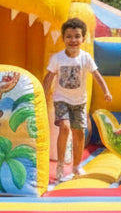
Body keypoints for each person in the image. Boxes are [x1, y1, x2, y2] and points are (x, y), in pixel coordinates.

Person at [44, 17, 112, 182]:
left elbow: (97, 75)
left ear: (83, 38)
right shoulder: (57, 58)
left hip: (79, 101)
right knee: (65, 128)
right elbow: (48, 78)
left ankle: (75, 166)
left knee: (79, 133)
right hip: (61, 99)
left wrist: (106, 91)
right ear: (63, 38)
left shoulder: (86, 57)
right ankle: (60, 164)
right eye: (69, 36)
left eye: (76, 36)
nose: (73, 40)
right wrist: (43, 94)